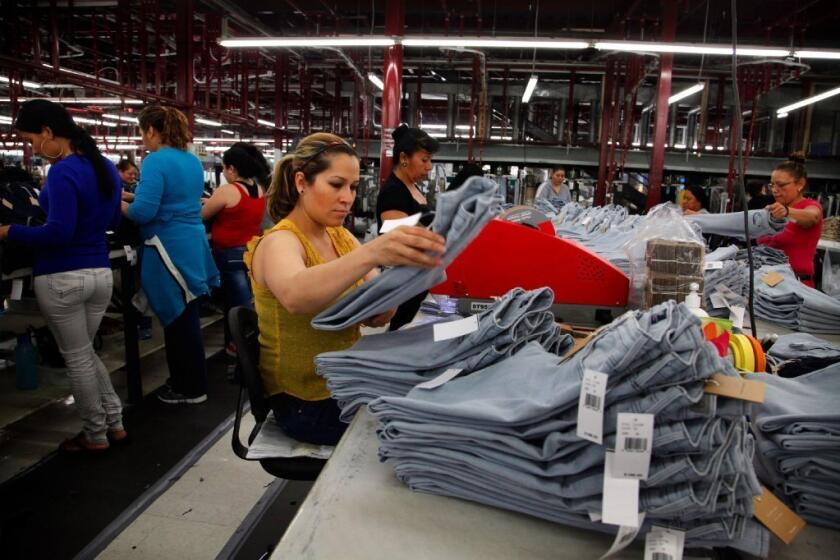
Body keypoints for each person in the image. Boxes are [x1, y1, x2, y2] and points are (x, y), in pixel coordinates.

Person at [246, 132, 445, 445]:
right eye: (336, 185)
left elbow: (379, 318)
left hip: (346, 384)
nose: (348, 197)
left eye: (352, 187)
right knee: (426, 430)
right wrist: (373, 253)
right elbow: (296, 296)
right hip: (306, 402)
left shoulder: (341, 238)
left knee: (438, 402)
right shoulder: (280, 241)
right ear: (301, 182)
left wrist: (402, 278)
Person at [0, 99, 125, 452]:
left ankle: (95, 434)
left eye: (30, 139)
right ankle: (114, 423)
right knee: (85, 352)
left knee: (77, 357)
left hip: (62, 276)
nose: (32, 147)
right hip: (100, 272)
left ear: (48, 133)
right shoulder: (105, 167)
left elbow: (58, 233)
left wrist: (11, 232)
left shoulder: (64, 171)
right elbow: (114, 222)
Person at [122, 105, 219, 404]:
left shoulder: (155, 161)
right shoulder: (190, 161)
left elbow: (143, 212)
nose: (142, 139)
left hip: (167, 247)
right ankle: (191, 381)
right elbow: (174, 199)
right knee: (187, 318)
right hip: (191, 243)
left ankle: (188, 388)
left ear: (152, 130)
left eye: (142, 132)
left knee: (177, 322)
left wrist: (116, 204)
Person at [201, 143, 269, 355]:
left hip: (229, 254)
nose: (223, 173)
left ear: (232, 169)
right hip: (251, 252)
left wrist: (208, 202)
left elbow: (202, 215)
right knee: (246, 300)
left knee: (238, 307)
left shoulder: (228, 190)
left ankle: (242, 348)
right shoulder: (259, 190)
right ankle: (238, 344)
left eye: (224, 169)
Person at [375, 124, 440, 331]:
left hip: (418, 276)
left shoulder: (412, 187)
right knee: (398, 329)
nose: (429, 166)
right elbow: (398, 237)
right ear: (404, 158)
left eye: (430, 160)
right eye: (424, 160)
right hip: (403, 278)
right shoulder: (393, 191)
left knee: (405, 327)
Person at [757, 153, 823, 287]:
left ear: (800, 184)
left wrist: (787, 212)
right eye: (772, 185)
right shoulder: (773, 210)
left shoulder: (809, 206)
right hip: (768, 282)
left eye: (780, 185)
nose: (775, 190)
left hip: (796, 285)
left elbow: (813, 216)